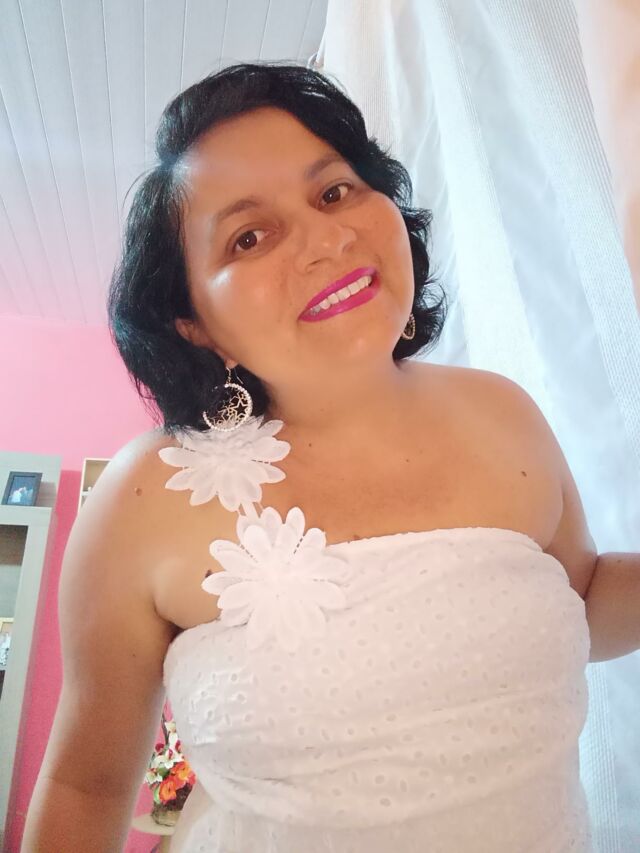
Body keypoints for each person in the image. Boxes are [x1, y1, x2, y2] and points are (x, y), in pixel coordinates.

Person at [22, 62, 597, 852]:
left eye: (334, 192)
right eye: (249, 236)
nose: (328, 239)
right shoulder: (141, 501)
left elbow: (583, 596)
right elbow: (84, 787)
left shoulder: (506, 412)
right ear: (196, 324)